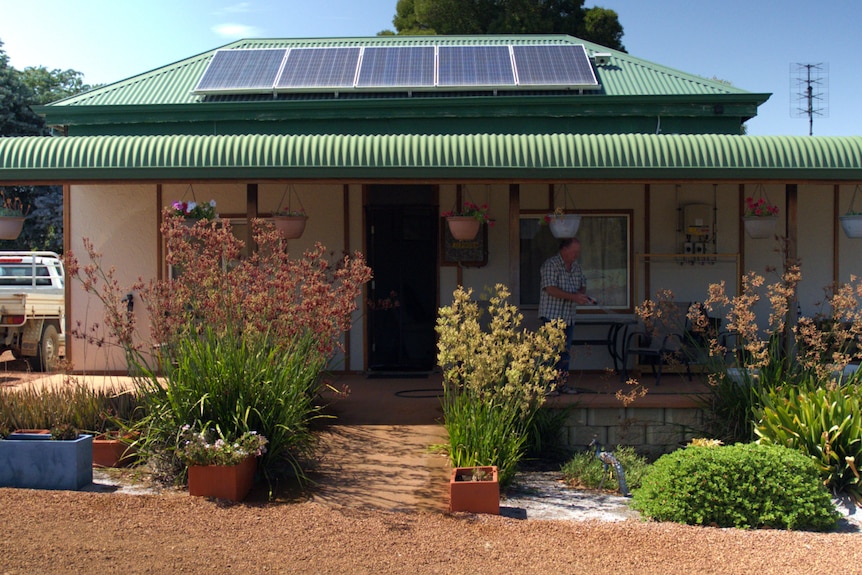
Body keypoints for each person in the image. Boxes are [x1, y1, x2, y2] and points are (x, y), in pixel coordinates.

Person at [539, 237, 593, 394]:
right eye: (574, 252)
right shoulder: (551, 265)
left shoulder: (576, 267)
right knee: (550, 352)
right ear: (564, 250)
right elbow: (550, 289)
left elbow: (582, 283)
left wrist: (581, 295)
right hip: (552, 315)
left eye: (578, 252)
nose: (576, 255)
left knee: (565, 352)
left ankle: (562, 384)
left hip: (569, 316)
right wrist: (574, 297)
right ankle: (548, 386)